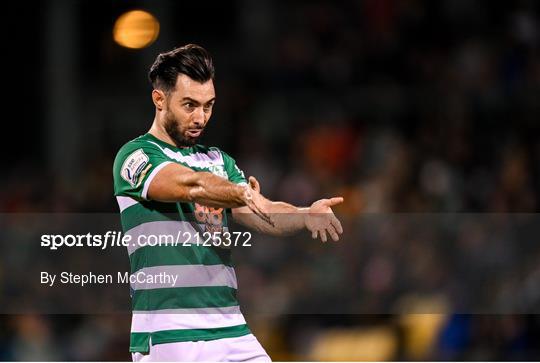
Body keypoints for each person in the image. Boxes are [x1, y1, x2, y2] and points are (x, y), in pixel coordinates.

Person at [113, 44, 344, 362]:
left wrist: (305, 215)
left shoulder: (218, 161)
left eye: (208, 106)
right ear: (159, 99)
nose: (200, 117)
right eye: (190, 105)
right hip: (169, 333)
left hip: (230, 327)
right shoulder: (136, 156)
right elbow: (188, 185)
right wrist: (238, 193)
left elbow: (262, 211)